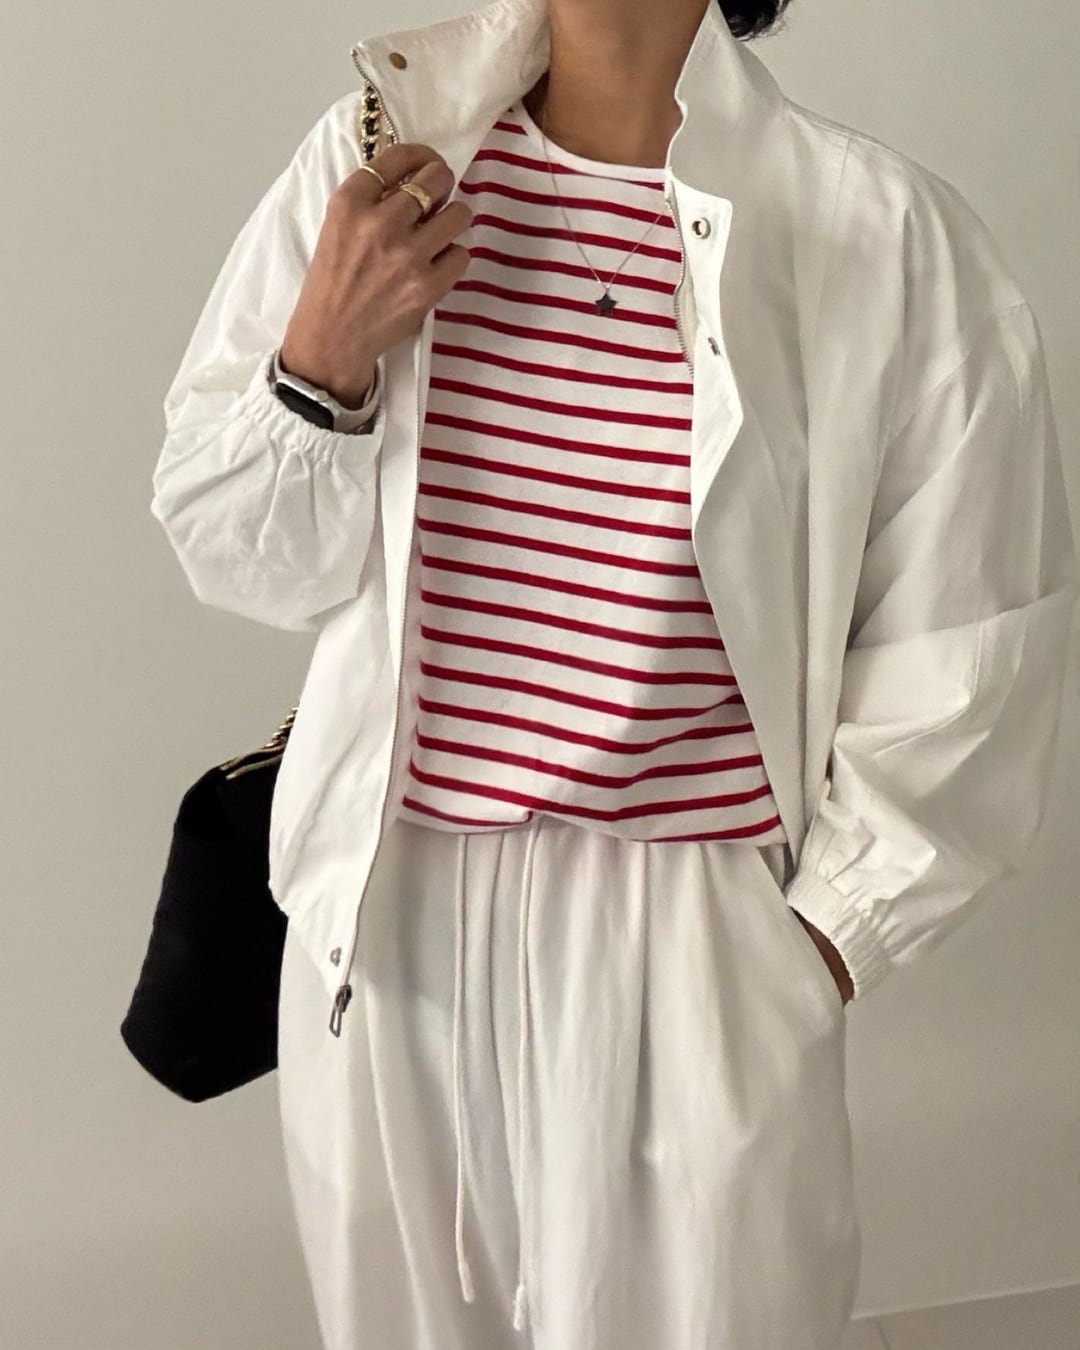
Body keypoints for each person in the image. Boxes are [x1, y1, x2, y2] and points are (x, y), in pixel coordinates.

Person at [149, 0, 1078, 1346]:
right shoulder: (381, 172)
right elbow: (238, 554)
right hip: (391, 927)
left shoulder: (879, 236)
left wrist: (814, 946)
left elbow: (973, 642)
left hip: (692, 939)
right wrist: (321, 361)